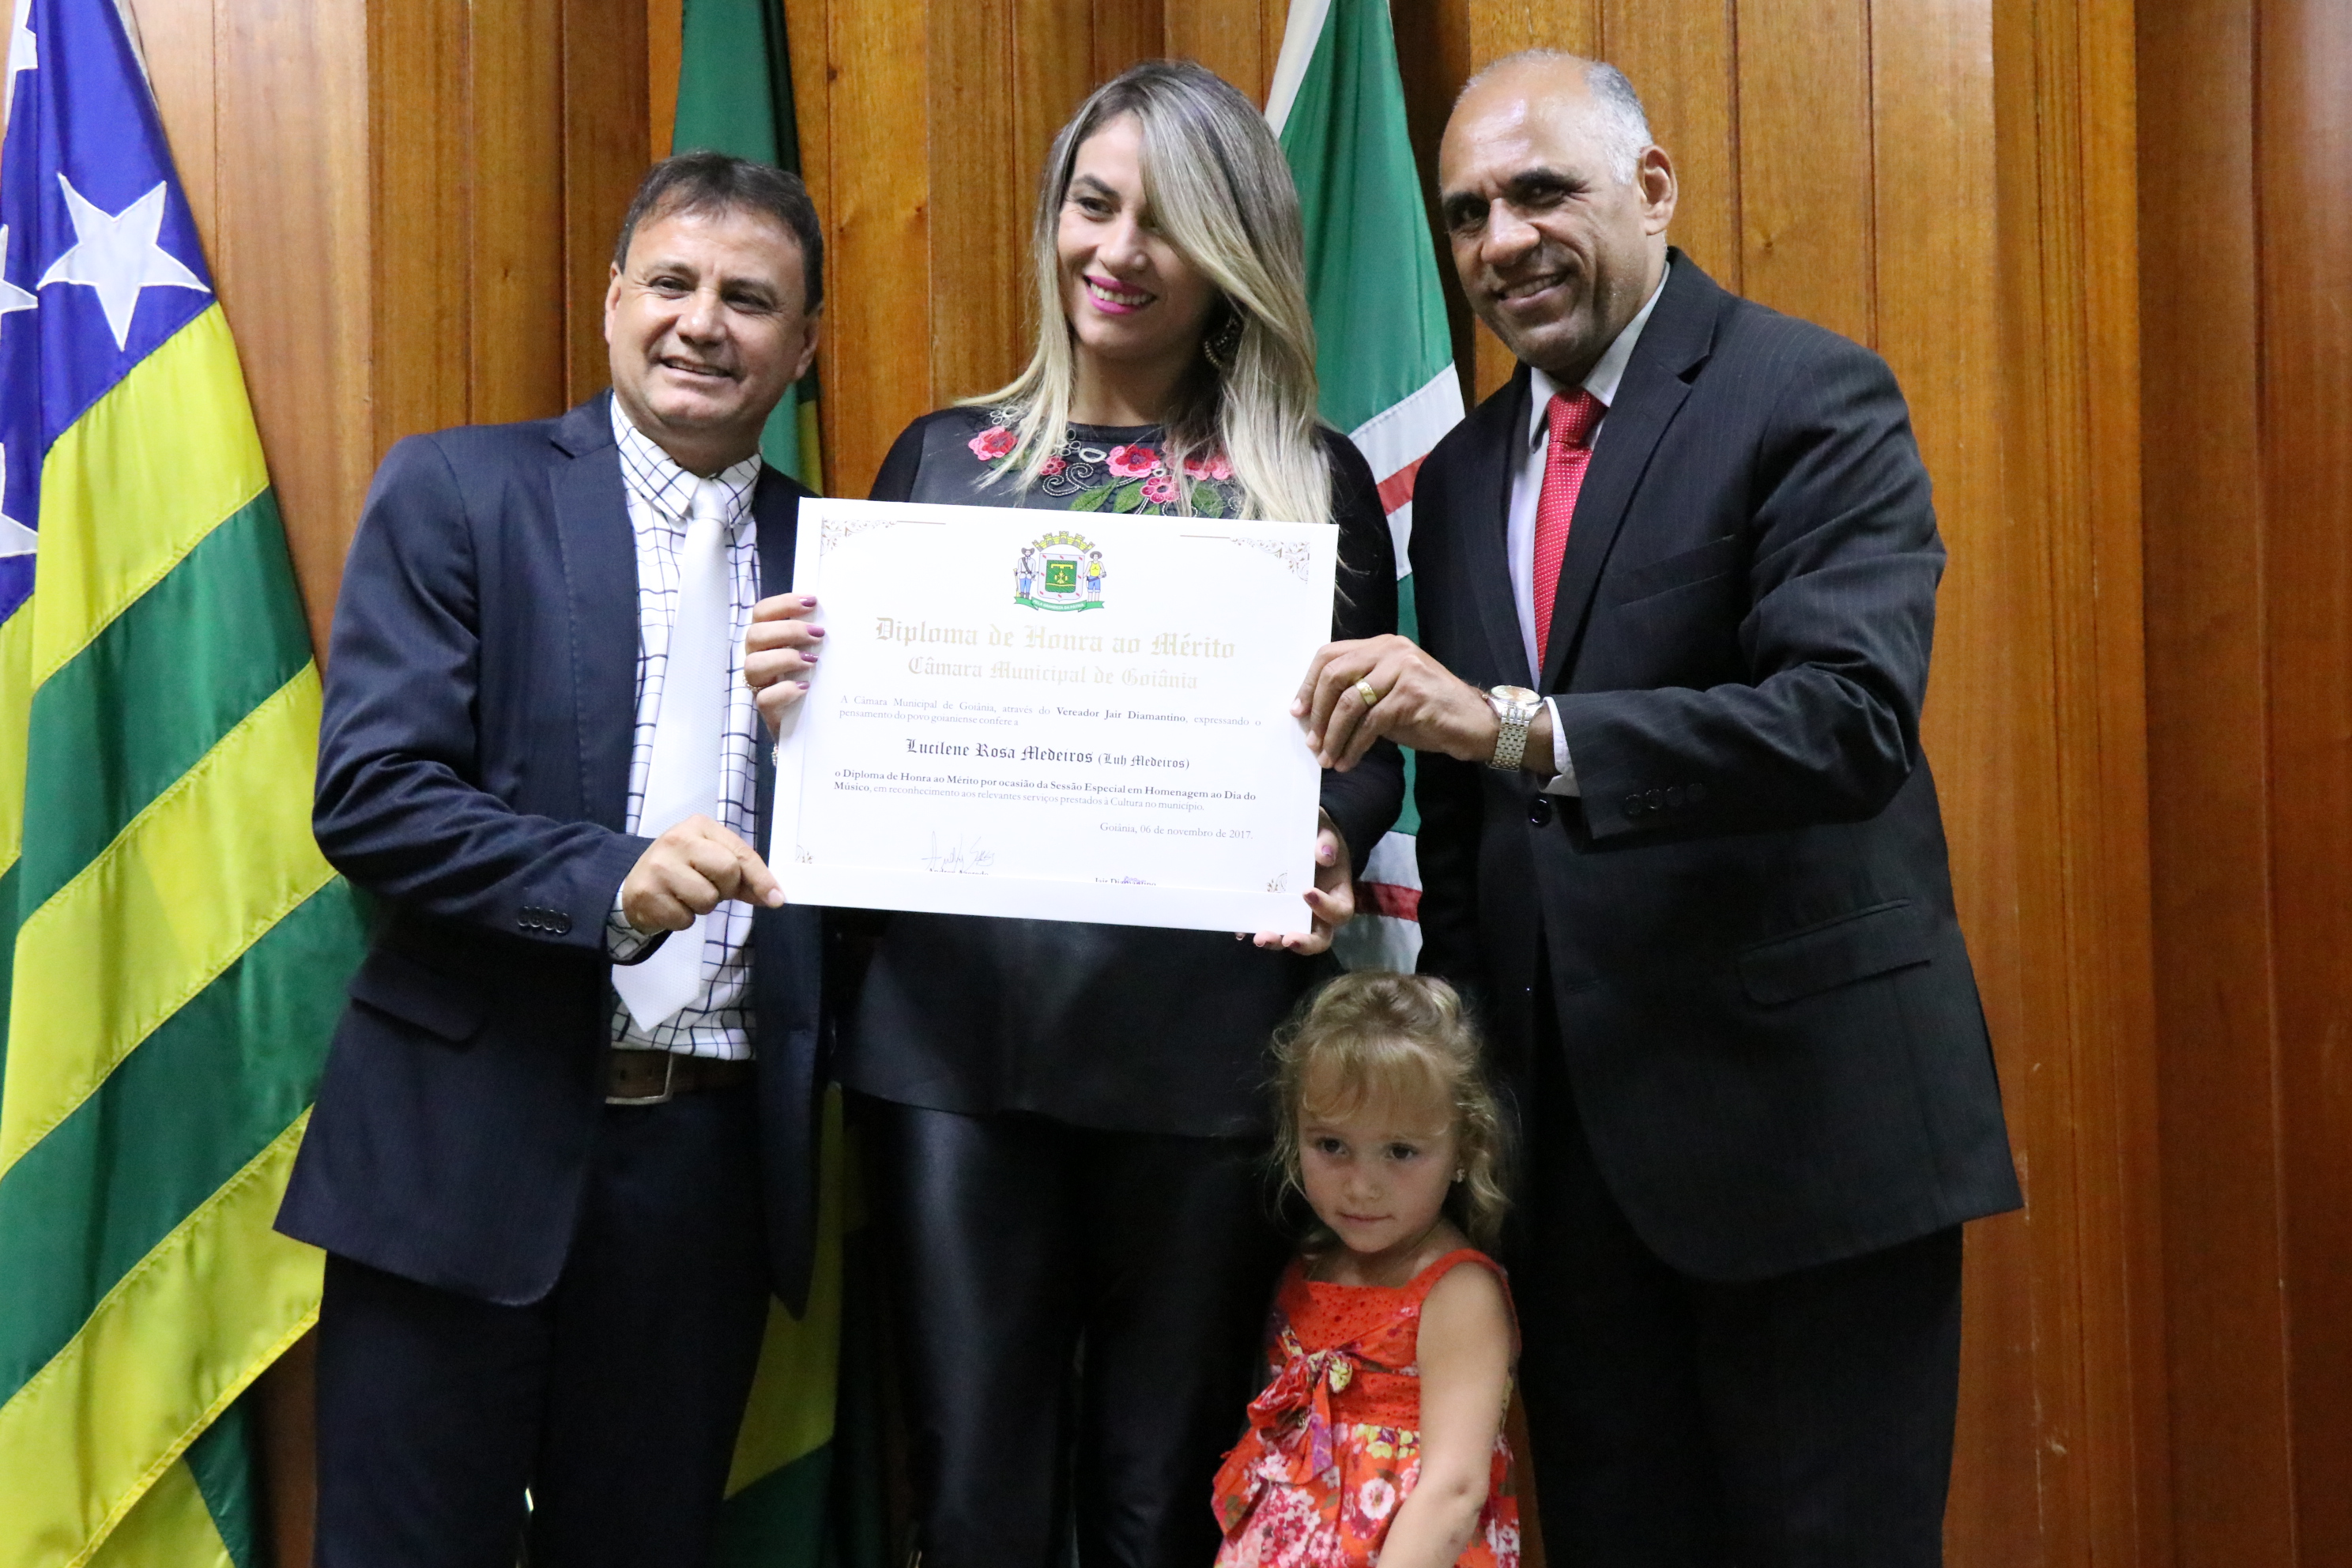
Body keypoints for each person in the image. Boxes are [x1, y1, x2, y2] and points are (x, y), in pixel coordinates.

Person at [1293, 52, 2022, 1564]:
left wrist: (1512, 721)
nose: (1502, 239)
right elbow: (1473, 841)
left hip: (1805, 1148)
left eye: (1540, 191)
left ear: (1652, 186)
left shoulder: (1808, 392)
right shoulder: (1466, 469)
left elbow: (1844, 718)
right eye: (1467, 212)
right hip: (1570, 1185)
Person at [798, 58, 1403, 1568]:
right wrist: (789, 700)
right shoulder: (939, 463)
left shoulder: (1310, 480)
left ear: (1233, 253)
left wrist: (1328, 836)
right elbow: (860, 751)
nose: (1118, 250)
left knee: (1161, 1497)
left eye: (1168, 219)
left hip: (1201, 1062)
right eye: (1093, 203)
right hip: (954, 1061)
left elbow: (1361, 752)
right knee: (972, 1496)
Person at [279, 152, 832, 1568]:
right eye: (671, 282)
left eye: (749, 298)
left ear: (805, 345)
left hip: (703, 1175)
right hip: (460, 1149)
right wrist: (610, 883)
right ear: (610, 303)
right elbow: (373, 797)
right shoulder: (464, 490)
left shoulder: (854, 570)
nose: (701, 322)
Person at [1212, 973, 1521, 1568]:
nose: (1361, 1185)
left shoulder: (1456, 1293)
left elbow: (1454, 1490)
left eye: (1401, 1151)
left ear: (1463, 1149)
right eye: (1332, 1146)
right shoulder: (1308, 1265)